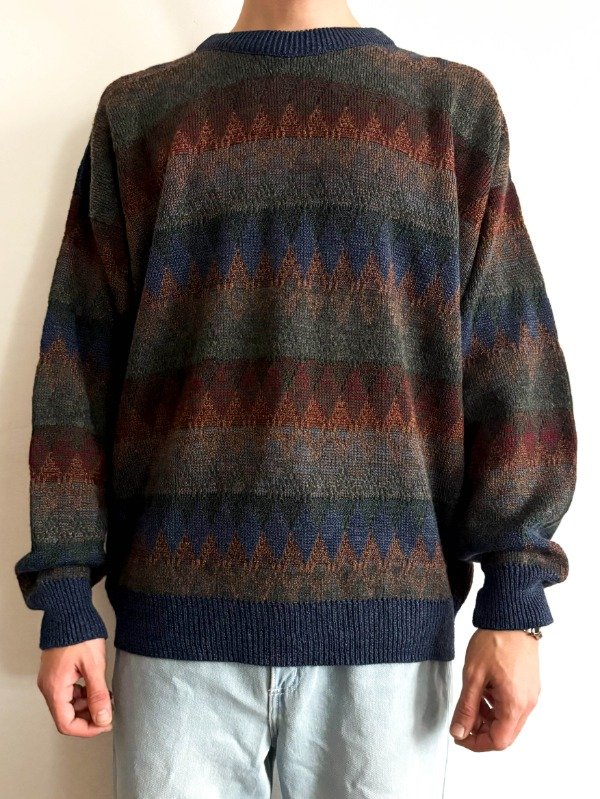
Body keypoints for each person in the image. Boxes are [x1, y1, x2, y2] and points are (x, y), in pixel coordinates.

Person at [15, 1, 577, 796]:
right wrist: (65, 590)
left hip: (386, 645)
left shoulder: (452, 112)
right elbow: (76, 369)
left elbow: (512, 365)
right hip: (178, 638)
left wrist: (516, 599)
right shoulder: (139, 116)